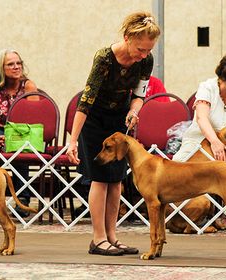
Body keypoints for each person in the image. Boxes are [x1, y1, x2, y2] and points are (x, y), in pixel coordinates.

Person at [67, 11, 160, 256]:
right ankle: (97, 239)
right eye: (140, 49)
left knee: (116, 179)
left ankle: (112, 236)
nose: (144, 55)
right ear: (127, 37)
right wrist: (73, 140)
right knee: (100, 178)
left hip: (119, 117)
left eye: (148, 50)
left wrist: (133, 111)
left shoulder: (145, 61)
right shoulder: (104, 58)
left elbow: (139, 95)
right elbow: (86, 101)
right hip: (94, 119)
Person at [173, 50, 226, 162]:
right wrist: (215, 141)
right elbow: (201, 118)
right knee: (179, 163)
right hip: (198, 141)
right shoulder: (208, 87)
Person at [0, 49, 38, 218]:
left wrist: (14, 137)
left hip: (21, 133)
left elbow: (33, 120)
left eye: (19, 63)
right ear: (0, 68)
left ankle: (23, 201)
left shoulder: (28, 86)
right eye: (10, 64)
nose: (16, 67)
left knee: (20, 149)